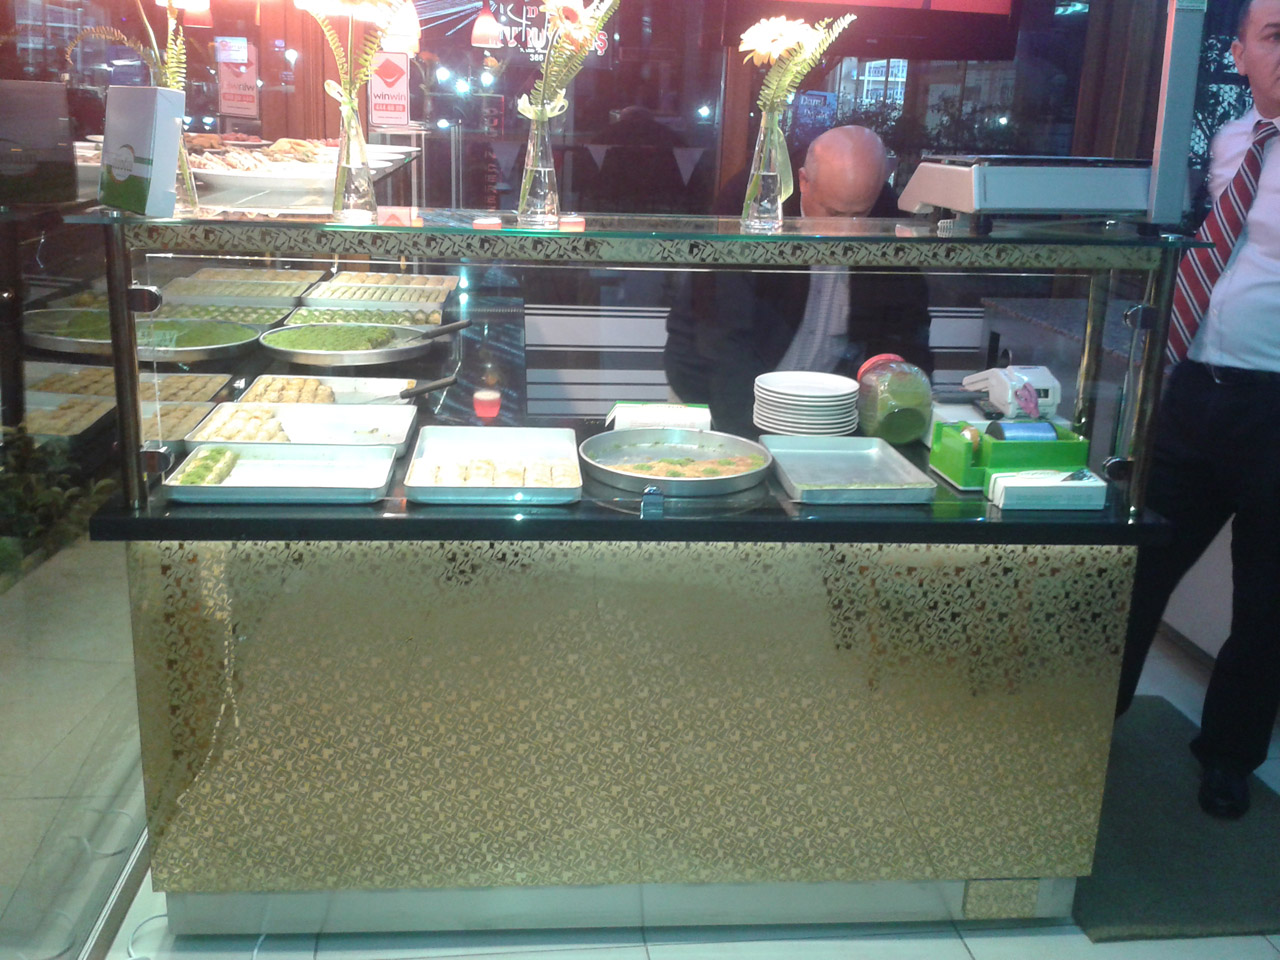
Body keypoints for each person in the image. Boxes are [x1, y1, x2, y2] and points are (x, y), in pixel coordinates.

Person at [1116, 0, 1280, 819]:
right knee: (1136, 570)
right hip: (1193, 391)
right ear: (1239, 53)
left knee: (1267, 606)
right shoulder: (1230, 139)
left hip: (1275, 407)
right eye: (1276, 36)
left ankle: (1227, 758)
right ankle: (1089, 721)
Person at [664, 125, 931, 436]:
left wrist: (899, 406)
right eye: (834, 214)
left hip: (824, 407)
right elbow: (722, 341)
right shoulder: (753, 203)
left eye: (860, 214)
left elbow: (906, 325)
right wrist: (751, 441)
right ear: (804, 181)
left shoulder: (885, 211)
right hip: (715, 389)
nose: (845, 232)